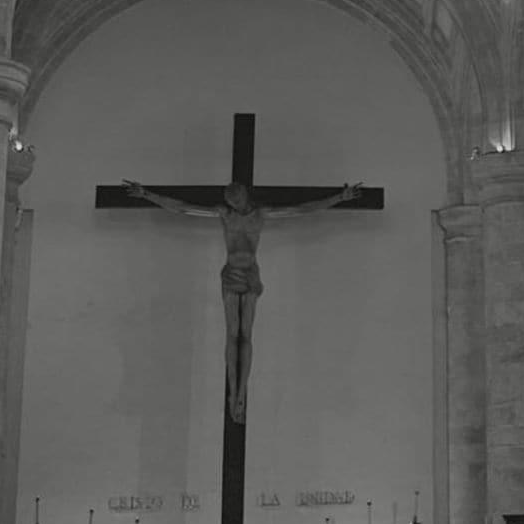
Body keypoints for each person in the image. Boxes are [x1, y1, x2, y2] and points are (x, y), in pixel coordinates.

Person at [121, 177, 363, 423]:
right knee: (232, 334)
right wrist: (147, 194)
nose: (233, 204)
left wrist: (339, 199)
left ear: (245, 195)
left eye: (236, 199)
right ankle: (232, 389)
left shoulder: (261, 214)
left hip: (250, 275)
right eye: (230, 201)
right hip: (230, 274)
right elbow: (183, 208)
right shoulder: (224, 214)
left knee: (246, 335)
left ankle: (241, 392)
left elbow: (301, 210)